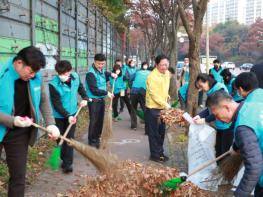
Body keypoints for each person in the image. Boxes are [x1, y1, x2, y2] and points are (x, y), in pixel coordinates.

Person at [0, 46, 60, 197]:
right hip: (3, 127)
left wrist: (51, 124)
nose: (33, 76)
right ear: (19, 63)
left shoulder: (35, 78)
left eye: (36, 72)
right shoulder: (2, 74)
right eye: (31, 71)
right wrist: (12, 120)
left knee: (18, 177)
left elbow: (44, 101)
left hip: (19, 134)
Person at [206, 91, 263, 197]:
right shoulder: (253, 105)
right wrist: (235, 146)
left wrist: (239, 194)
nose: (217, 119)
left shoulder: (243, 128)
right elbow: (254, 130)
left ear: (226, 107)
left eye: (217, 115)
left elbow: (254, 168)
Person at [49, 60, 88, 173]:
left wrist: (84, 98)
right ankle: (62, 157)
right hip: (59, 116)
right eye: (60, 74)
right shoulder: (53, 84)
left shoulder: (75, 77)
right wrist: (67, 116)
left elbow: (80, 88)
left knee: (69, 139)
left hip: (73, 112)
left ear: (70, 71)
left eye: (64, 73)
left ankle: (68, 164)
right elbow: (56, 104)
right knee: (60, 138)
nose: (62, 76)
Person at [194, 73, 233, 160]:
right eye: (199, 87)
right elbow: (209, 110)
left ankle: (225, 172)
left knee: (225, 153)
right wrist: (198, 116)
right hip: (219, 126)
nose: (201, 89)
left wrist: (205, 120)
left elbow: (219, 111)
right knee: (218, 151)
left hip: (227, 126)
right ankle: (218, 170)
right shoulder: (211, 91)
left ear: (207, 81)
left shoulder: (220, 90)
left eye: (201, 86)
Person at [85, 54, 117, 148]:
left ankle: (97, 138)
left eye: (103, 64)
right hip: (94, 101)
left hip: (101, 100)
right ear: (94, 61)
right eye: (99, 64)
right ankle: (92, 141)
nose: (101, 66)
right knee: (94, 121)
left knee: (100, 121)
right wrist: (107, 93)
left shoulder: (101, 71)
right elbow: (94, 89)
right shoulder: (90, 74)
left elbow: (106, 74)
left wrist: (112, 74)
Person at [145, 54, 171, 163]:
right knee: (154, 132)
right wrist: (165, 104)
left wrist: (167, 96)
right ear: (156, 65)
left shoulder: (167, 73)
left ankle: (160, 152)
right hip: (153, 108)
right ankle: (154, 155)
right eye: (162, 65)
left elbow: (164, 89)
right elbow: (154, 94)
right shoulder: (152, 77)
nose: (165, 67)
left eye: (166, 64)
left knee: (161, 132)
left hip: (163, 107)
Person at [130, 62, 151, 130]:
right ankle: (147, 128)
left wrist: (131, 87)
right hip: (143, 92)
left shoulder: (137, 72)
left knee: (133, 108)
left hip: (134, 91)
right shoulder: (150, 73)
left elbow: (130, 79)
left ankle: (134, 126)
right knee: (145, 109)